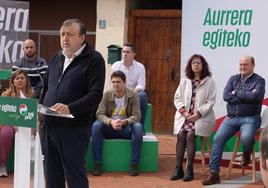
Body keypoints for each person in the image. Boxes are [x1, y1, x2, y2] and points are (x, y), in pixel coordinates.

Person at [39, 19, 105, 188]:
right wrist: (38, 109)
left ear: (82, 37)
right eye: (62, 34)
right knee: (52, 177)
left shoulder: (94, 59)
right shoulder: (55, 58)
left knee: (75, 177)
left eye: (70, 35)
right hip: (49, 127)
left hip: (74, 128)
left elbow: (95, 94)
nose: (65, 38)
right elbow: (46, 87)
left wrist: (70, 108)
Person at [202, 55, 265, 185]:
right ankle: (214, 174)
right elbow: (226, 96)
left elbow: (256, 97)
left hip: (250, 118)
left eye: (245, 64)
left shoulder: (259, 81)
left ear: (253, 65)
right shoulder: (233, 79)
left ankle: (246, 154)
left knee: (247, 138)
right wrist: (246, 95)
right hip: (231, 118)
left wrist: (236, 92)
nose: (242, 67)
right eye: (241, 64)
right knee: (217, 140)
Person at [170, 54, 216, 182]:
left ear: (203, 65)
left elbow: (211, 102)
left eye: (198, 63)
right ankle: (178, 169)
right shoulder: (185, 80)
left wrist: (198, 114)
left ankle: (189, 169)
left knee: (190, 135)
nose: (196, 65)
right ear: (190, 66)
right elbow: (177, 98)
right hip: (185, 116)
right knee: (181, 134)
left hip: (201, 117)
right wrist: (184, 112)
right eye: (193, 63)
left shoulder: (209, 81)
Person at [91, 70, 143, 177]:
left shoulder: (133, 95)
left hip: (126, 129)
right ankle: (97, 164)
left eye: (118, 82)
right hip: (110, 128)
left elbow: (137, 115)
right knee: (96, 126)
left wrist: (124, 121)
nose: (115, 84)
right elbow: (99, 114)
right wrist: (111, 122)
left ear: (124, 83)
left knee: (138, 127)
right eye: (113, 82)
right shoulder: (106, 94)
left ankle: (134, 165)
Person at [0, 70, 34, 177]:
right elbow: (3, 116)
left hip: (26, 125)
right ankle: (2, 165)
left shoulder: (31, 96)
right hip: (8, 125)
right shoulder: (6, 95)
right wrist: (14, 125)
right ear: (13, 82)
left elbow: (33, 116)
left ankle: (29, 165)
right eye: (17, 78)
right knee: (6, 133)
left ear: (26, 81)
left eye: (22, 78)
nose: (19, 80)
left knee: (33, 131)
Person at [111, 43, 148, 133]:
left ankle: (140, 127)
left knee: (143, 96)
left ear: (134, 54)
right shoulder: (116, 65)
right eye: (123, 52)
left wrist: (132, 92)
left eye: (127, 52)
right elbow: (112, 84)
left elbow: (141, 85)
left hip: (134, 93)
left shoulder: (140, 67)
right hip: (119, 92)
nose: (125, 54)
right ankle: (115, 123)